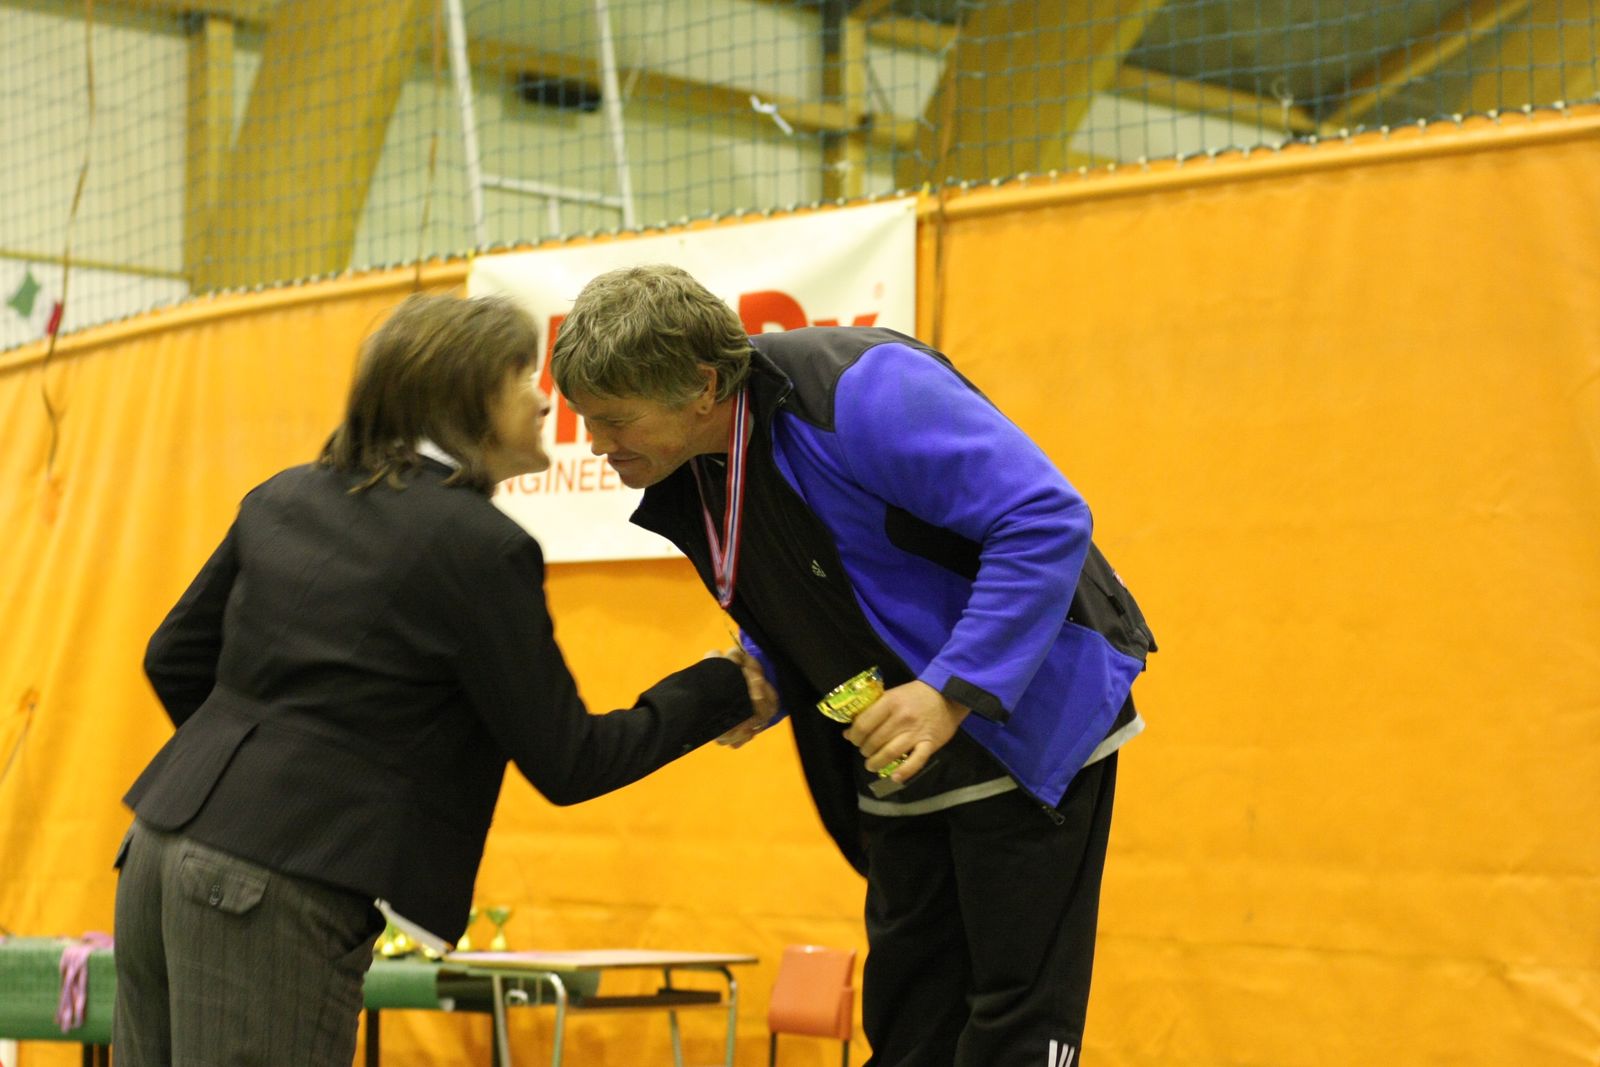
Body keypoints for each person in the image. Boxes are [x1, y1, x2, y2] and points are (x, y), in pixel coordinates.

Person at [112, 291, 770, 1067]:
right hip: (273, 887)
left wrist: (259, 787)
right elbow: (572, 761)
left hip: (155, 848)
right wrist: (726, 684)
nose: (543, 399)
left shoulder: (285, 494)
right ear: (468, 397)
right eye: (521, 377)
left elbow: (172, 655)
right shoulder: (478, 545)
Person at [550, 264, 1155, 1067]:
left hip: (1025, 728)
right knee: (908, 1030)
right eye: (586, 421)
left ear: (700, 385)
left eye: (613, 420)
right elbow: (830, 578)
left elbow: (1045, 517)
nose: (597, 444)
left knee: (1014, 1026)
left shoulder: (860, 390)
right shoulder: (701, 464)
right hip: (899, 753)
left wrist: (948, 689)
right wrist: (764, 668)